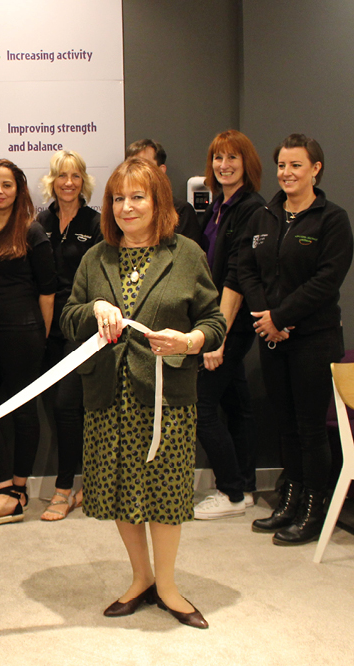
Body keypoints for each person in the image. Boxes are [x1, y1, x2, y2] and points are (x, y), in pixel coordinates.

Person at [60, 157, 225, 629]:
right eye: (117, 198)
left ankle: (168, 587)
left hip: (165, 397)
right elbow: (69, 317)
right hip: (108, 396)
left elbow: (214, 322)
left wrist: (189, 342)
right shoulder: (96, 258)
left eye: (137, 197)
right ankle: (141, 578)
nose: (126, 207)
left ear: (158, 202)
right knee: (117, 491)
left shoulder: (187, 253)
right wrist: (95, 309)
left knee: (166, 494)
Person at [238, 134, 353, 545]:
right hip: (272, 336)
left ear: (315, 169)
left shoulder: (332, 219)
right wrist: (266, 317)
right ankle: (289, 500)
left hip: (315, 339)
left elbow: (326, 281)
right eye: (282, 166)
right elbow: (246, 269)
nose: (286, 173)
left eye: (296, 166)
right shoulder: (265, 215)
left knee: (309, 428)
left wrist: (282, 317)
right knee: (285, 425)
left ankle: (313, 509)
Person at [0, 160, 56, 525]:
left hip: (23, 333)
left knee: (22, 410)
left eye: (6, 185)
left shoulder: (32, 233)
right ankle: (4, 488)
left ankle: (18, 491)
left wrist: (41, 336)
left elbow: (48, 292)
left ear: (18, 189)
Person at [192, 130, 266, 520]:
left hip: (230, 323)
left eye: (232, 158)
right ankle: (247, 487)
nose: (224, 165)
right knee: (237, 405)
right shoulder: (219, 205)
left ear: (246, 163)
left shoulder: (252, 209)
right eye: (218, 158)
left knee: (202, 406)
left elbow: (237, 276)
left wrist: (217, 339)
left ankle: (230, 491)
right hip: (217, 317)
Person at [35, 150, 102, 521]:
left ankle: (65, 489)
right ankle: (79, 485)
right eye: (62, 175)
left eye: (75, 176)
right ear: (53, 180)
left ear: (83, 181)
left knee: (68, 406)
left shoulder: (95, 222)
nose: (68, 182)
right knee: (60, 410)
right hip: (47, 328)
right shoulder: (40, 221)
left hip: (82, 328)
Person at [126, 139, 204, 246]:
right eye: (132, 166)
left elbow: (189, 257)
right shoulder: (122, 211)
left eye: (145, 165)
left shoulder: (181, 211)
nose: (138, 172)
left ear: (161, 170)